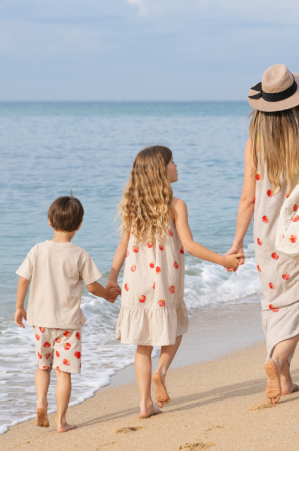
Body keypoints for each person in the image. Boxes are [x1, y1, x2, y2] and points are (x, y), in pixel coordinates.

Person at [225, 64, 299, 405]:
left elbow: (247, 199)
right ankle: (276, 361)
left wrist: (236, 243)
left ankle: (284, 379)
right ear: (297, 102)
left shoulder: (254, 143)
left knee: (275, 302)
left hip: (265, 235)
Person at [107, 146, 243, 418]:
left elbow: (122, 246)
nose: (176, 166)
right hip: (164, 283)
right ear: (161, 170)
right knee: (177, 329)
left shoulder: (133, 206)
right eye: (172, 162)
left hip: (136, 284)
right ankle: (162, 371)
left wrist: (112, 279)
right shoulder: (176, 205)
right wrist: (223, 261)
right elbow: (190, 246)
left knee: (142, 346)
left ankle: (145, 404)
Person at [14, 195, 120, 432]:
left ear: (49, 222)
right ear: (79, 225)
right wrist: (109, 294)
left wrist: (20, 307)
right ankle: (61, 422)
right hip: (68, 325)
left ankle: (41, 401)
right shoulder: (80, 254)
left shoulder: (38, 250)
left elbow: (23, 280)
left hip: (41, 321)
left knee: (43, 367)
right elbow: (93, 287)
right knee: (64, 373)